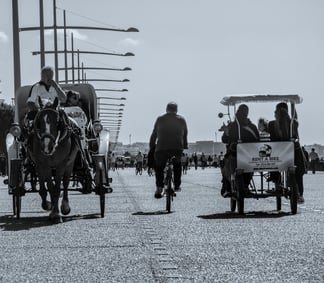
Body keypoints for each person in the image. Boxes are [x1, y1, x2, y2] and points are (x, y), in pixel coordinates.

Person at [268, 102, 306, 203]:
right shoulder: (294, 122)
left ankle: (277, 183)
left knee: (272, 164)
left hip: (277, 153)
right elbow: (295, 116)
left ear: (276, 112)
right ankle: (300, 193)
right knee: (299, 171)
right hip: (294, 152)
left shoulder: (271, 124)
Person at [149, 102, 188, 198]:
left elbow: (154, 134)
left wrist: (152, 146)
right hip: (177, 148)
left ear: (167, 109)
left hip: (161, 148)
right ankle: (177, 185)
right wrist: (185, 146)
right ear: (176, 110)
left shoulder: (160, 119)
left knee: (159, 168)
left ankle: (159, 187)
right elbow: (185, 134)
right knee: (177, 165)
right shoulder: (182, 119)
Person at [221, 104, 259, 197]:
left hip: (236, 155)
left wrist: (226, 133)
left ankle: (227, 187)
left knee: (224, 163)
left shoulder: (232, 126)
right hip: (248, 156)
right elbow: (258, 140)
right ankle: (239, 186)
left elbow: (224, 140)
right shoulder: (252, 126)